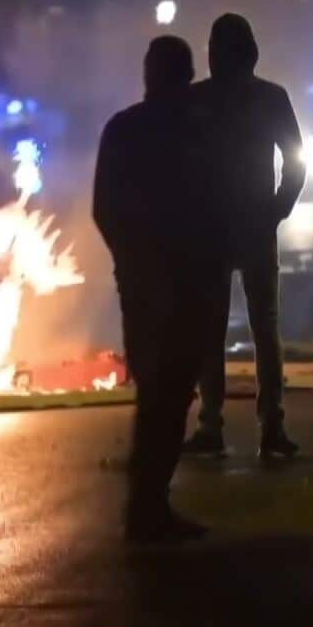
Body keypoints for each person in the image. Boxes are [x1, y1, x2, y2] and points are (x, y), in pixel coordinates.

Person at [95, 36, 218, 543]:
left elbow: (106, 210)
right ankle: (148, 508)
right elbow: (215, 203)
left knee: (159, 392)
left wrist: (130, 263)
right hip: (176, 280)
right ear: (187, 75)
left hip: (152, 282)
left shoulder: (126, 129)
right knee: (167, 394)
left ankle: (149, 505)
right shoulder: (194, 131)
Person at [182, 13, 305, 459]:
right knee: (264, 328)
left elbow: (181, 169)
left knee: (210, 331)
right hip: (253, 226)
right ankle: (271, 425)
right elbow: (296, 164)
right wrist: (275, 210)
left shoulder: (196, 101)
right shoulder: (271, 98)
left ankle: (211, 425)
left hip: (212, 230)